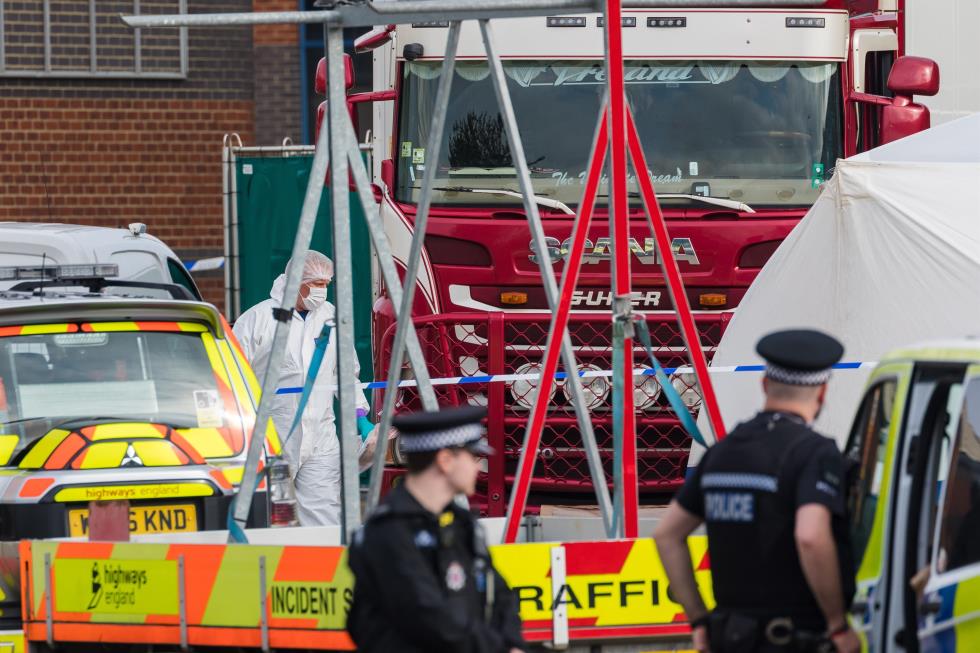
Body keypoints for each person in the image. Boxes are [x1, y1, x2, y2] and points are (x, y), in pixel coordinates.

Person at [654, 329, 860, 653]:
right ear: (821, 392)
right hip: (795, 638)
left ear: (764, 384)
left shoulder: (720, 453)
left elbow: (667, 536)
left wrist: (699, 621)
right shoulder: (814, 453)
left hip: (728, 636)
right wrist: (837, 625)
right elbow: (810, 536)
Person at [347, 405, 526, 653]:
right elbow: (428, 615)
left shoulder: (462, 523)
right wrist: (496, 648)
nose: (477, 466)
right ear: (445, 461)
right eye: (471, 456)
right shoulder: (388, 532)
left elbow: (500, 594)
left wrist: (513, 644)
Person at [232, 251, 377, 526]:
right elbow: (234, 378)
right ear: (295, 281)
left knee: (325, 517)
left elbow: (346, 371)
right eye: (316, 283)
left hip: (321, 436)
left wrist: (360, 415)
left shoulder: (331, 317)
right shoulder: (258, 320)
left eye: (326, 283)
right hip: (273, 437)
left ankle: (325, 568)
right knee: (270, 517)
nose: (322, 290)